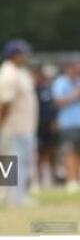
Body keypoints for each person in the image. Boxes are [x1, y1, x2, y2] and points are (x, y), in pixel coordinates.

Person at [0, 39, 39, 205]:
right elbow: (6, 102)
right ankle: (15, 199)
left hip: (24, 126)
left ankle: (15, 196)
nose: (26, 56)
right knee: (16, 163)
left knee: (23, 163)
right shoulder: (8, 74)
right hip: (14, 127)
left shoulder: (19, 72)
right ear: (14, 55)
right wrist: (0, 122)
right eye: (23, 53)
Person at [52, 61, 80, 193]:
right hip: (68, 123)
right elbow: (58, 102)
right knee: (69, 152)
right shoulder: (60, 82)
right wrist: (75, 95)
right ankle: (71, 180)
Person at [34, 65, 60, 190]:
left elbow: (53, 107)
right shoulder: (32, 91)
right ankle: (38, 180)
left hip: (48, 125)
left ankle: (53, 178)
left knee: (51, 152)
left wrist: (55, 121)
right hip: (37, 125)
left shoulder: (49, 90)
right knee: (39, 153)